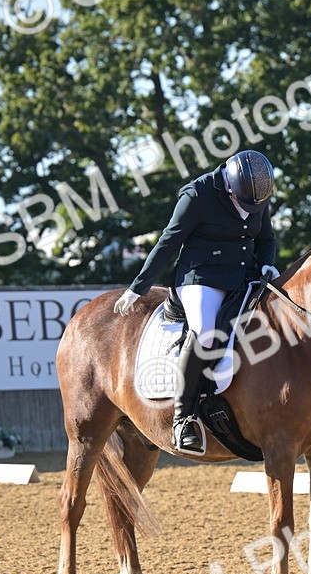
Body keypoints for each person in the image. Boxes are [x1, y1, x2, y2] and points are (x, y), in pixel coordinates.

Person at [114, 150, 279, 455]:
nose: (248, 211)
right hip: (201, 278)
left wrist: (268, 263)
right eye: (242, 205)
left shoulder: (255, 193)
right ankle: (183, 418)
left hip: (245, 276)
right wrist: (139, 288)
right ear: (228, 185)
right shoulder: (197, 194)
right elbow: (169, 241)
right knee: (204, 333)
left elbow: (266, 238)